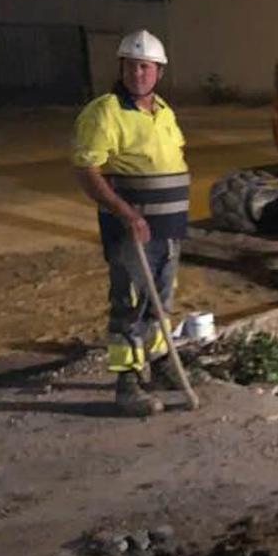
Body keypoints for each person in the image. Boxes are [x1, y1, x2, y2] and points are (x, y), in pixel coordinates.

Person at [72, 30, 189, 416]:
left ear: (158, 71)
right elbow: (88, 169)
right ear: (121, 68)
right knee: (131, 303)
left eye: (146, 66)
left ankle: (157, 365)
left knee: (161, 301)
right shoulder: (105, 111)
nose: (139, 73)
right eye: (132, 66)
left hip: (169, 228)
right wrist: (126, 213)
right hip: (133, 230)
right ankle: (127, 383)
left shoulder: (163, 111)